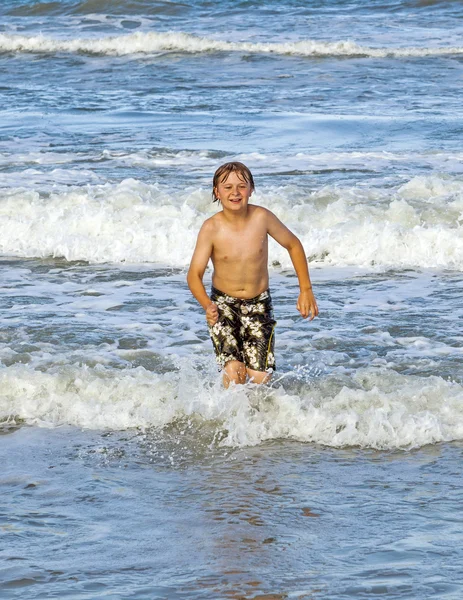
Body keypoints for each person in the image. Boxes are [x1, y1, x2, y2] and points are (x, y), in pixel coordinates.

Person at [187, 161, 318, 388]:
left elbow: (293, 245)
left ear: (251, 189)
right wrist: (206, 305)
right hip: (222, 307)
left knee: (259, 379)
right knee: (234, 372)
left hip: (258, 305)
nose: (235, 192)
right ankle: (231, 421)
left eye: (241, 186)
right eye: (227, 187)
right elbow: (194, 274)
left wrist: (305, 289)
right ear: (217, 192)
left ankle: (260, 420)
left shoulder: (262, 218)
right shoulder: (211, 228)